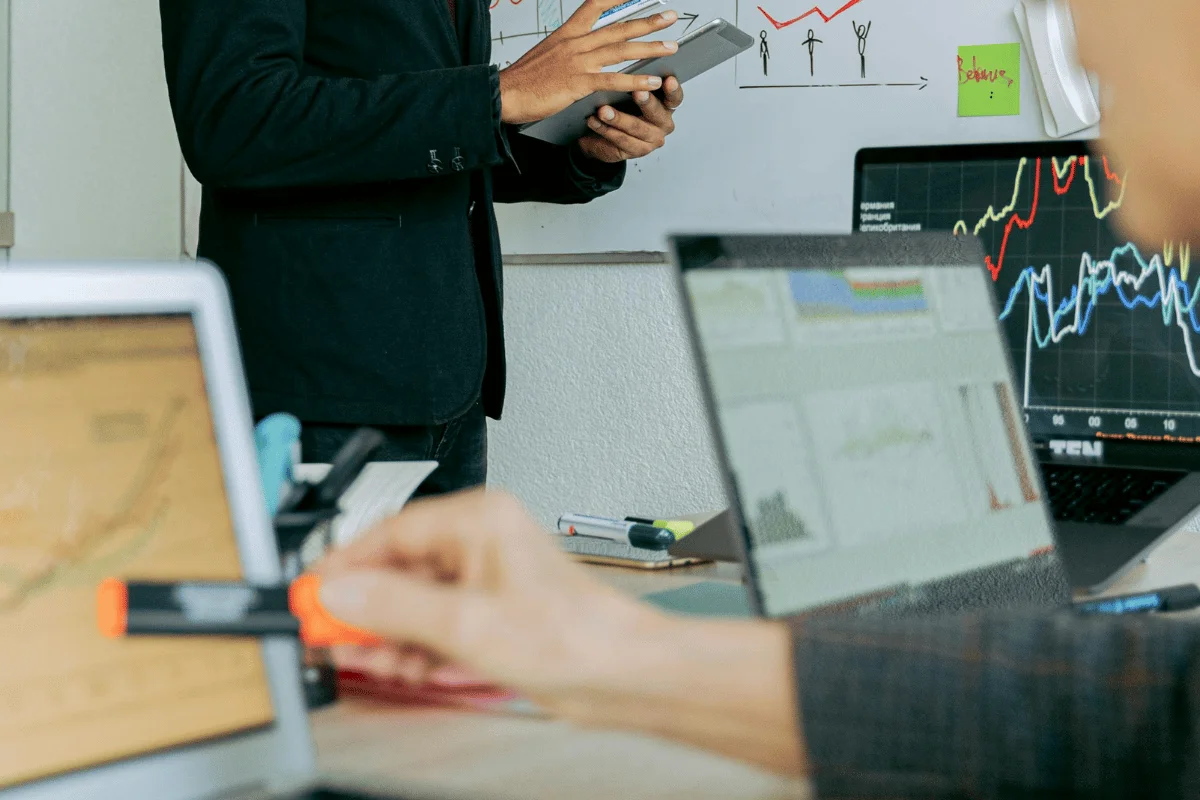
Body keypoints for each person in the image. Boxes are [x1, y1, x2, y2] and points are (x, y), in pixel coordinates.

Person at [315, 1, 1200, 796]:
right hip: (342, 353)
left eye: (1108, 83)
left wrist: (607, 654)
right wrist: (601, 652)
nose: (1122, 200)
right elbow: (1132, 715)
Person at [159, 0, 685, 495]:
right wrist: (496, 96)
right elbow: (232, 119)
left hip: (449, 382)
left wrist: (585, 147)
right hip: (314, 386)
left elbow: (428, 144)